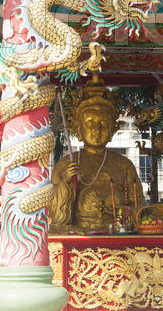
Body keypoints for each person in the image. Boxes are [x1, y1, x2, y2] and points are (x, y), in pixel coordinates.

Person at [49, 74, 144, 233]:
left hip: (116, 233)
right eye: (90, 123)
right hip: (80, 233)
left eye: (103, 124)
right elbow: (55, 215)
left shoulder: (124, 165)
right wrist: (65, 183)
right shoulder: (66, 165)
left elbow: (138, 204)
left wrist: (121, 213)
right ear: (78, 127)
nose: (96, 130)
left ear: (112, 129)